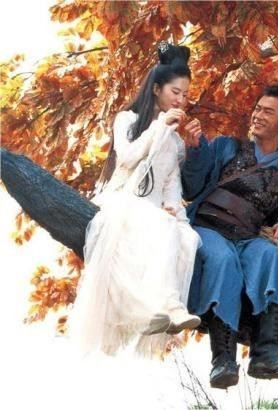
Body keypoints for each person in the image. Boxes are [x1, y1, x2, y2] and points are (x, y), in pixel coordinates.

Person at [68, 42, 201, 359]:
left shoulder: (176, 142)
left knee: (188, 238)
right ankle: (168, 304)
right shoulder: (127, 120)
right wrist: (158, 127)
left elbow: (171, 185)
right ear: (156, 89)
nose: (180, 100)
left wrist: (176, 211)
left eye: (185, 95)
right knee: (162, 226)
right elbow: (127, 158)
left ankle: (160, 313)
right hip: (123, 200)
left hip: (154, 209)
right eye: (175, 92)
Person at [180, 86, 278, 389]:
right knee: (222, 260)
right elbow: (191, 187)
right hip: (208, 228)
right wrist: (196, 150)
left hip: (249, 237)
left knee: (271, 255)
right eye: (257, 108)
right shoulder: (226, 146)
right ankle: (223, 360)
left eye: (268, 111)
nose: (258, 115)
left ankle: (266, 353)